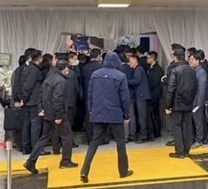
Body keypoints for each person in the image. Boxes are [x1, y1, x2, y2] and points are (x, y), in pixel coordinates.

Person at [82, 53, 132, 182]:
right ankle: (123, 171)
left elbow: (90, 95)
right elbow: (125, 98)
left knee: (94, 143)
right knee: (120, 143)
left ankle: (85, 171)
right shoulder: (121, 76)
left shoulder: (95, 75)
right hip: (115, 114)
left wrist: (91, 111)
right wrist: (126, 114)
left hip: (98, 113)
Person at [24, 60, 76, 174]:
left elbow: (41, 94)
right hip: (57, 114)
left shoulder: (49, 78)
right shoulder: (61, 81)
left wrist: (41, 108)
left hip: (47, 112)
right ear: (65, 68)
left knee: (44, 137)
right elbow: (58, 99)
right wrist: (59, 115)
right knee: (67, 136)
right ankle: (66, 161)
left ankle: (31, 161)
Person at [165, 46, 197, 158]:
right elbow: (195, 87)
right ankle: (187, 150)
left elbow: (171, 89)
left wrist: (167, 106)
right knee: (187, 127)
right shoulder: (191, 70)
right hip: (188, 103)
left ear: (175, 57)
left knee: (177, 127)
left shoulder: (175, 70)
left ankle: (180, 151)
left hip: (177, 104)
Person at [16, 50, 44, 156]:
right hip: (33, 101)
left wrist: (22, 99)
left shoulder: (26, 68)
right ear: (39, 59)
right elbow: (29, 86)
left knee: (27, 124)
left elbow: (21, 85)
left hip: (28, 101)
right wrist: (25, 98)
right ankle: (35, 148)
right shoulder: (34, 70)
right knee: (35, 126)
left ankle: (26, 147)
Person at [127, 54, 151, 142]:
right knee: (143, 116)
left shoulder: (138, 69)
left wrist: (125, 81)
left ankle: (143, 135)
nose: (129, 64)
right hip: (141, 95)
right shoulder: (138, 69)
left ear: (134, 61)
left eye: (130, 62)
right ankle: (145, 133)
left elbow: (136, 81)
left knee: (142, 116)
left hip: (141, 96)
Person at [189, 51, 208, 146]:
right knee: (195, 121)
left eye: (192, 59)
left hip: (198, 101)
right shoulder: (194, 71)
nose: (190, 61)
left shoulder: (201, 72)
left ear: (198, 60)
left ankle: (199, 140)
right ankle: (197, 138)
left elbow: (202, 88)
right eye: (189, 59)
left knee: (199, 121)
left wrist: (199, 103)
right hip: (193, 100)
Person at [146, 52, 164, 140]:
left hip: (155, 94)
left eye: (148, 58)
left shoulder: (158, 69)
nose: (147, 60)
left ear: (153, 58)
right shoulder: (150, 68)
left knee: (155, 113)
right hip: (151, 94)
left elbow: (155, 82)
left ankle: (157, 131)